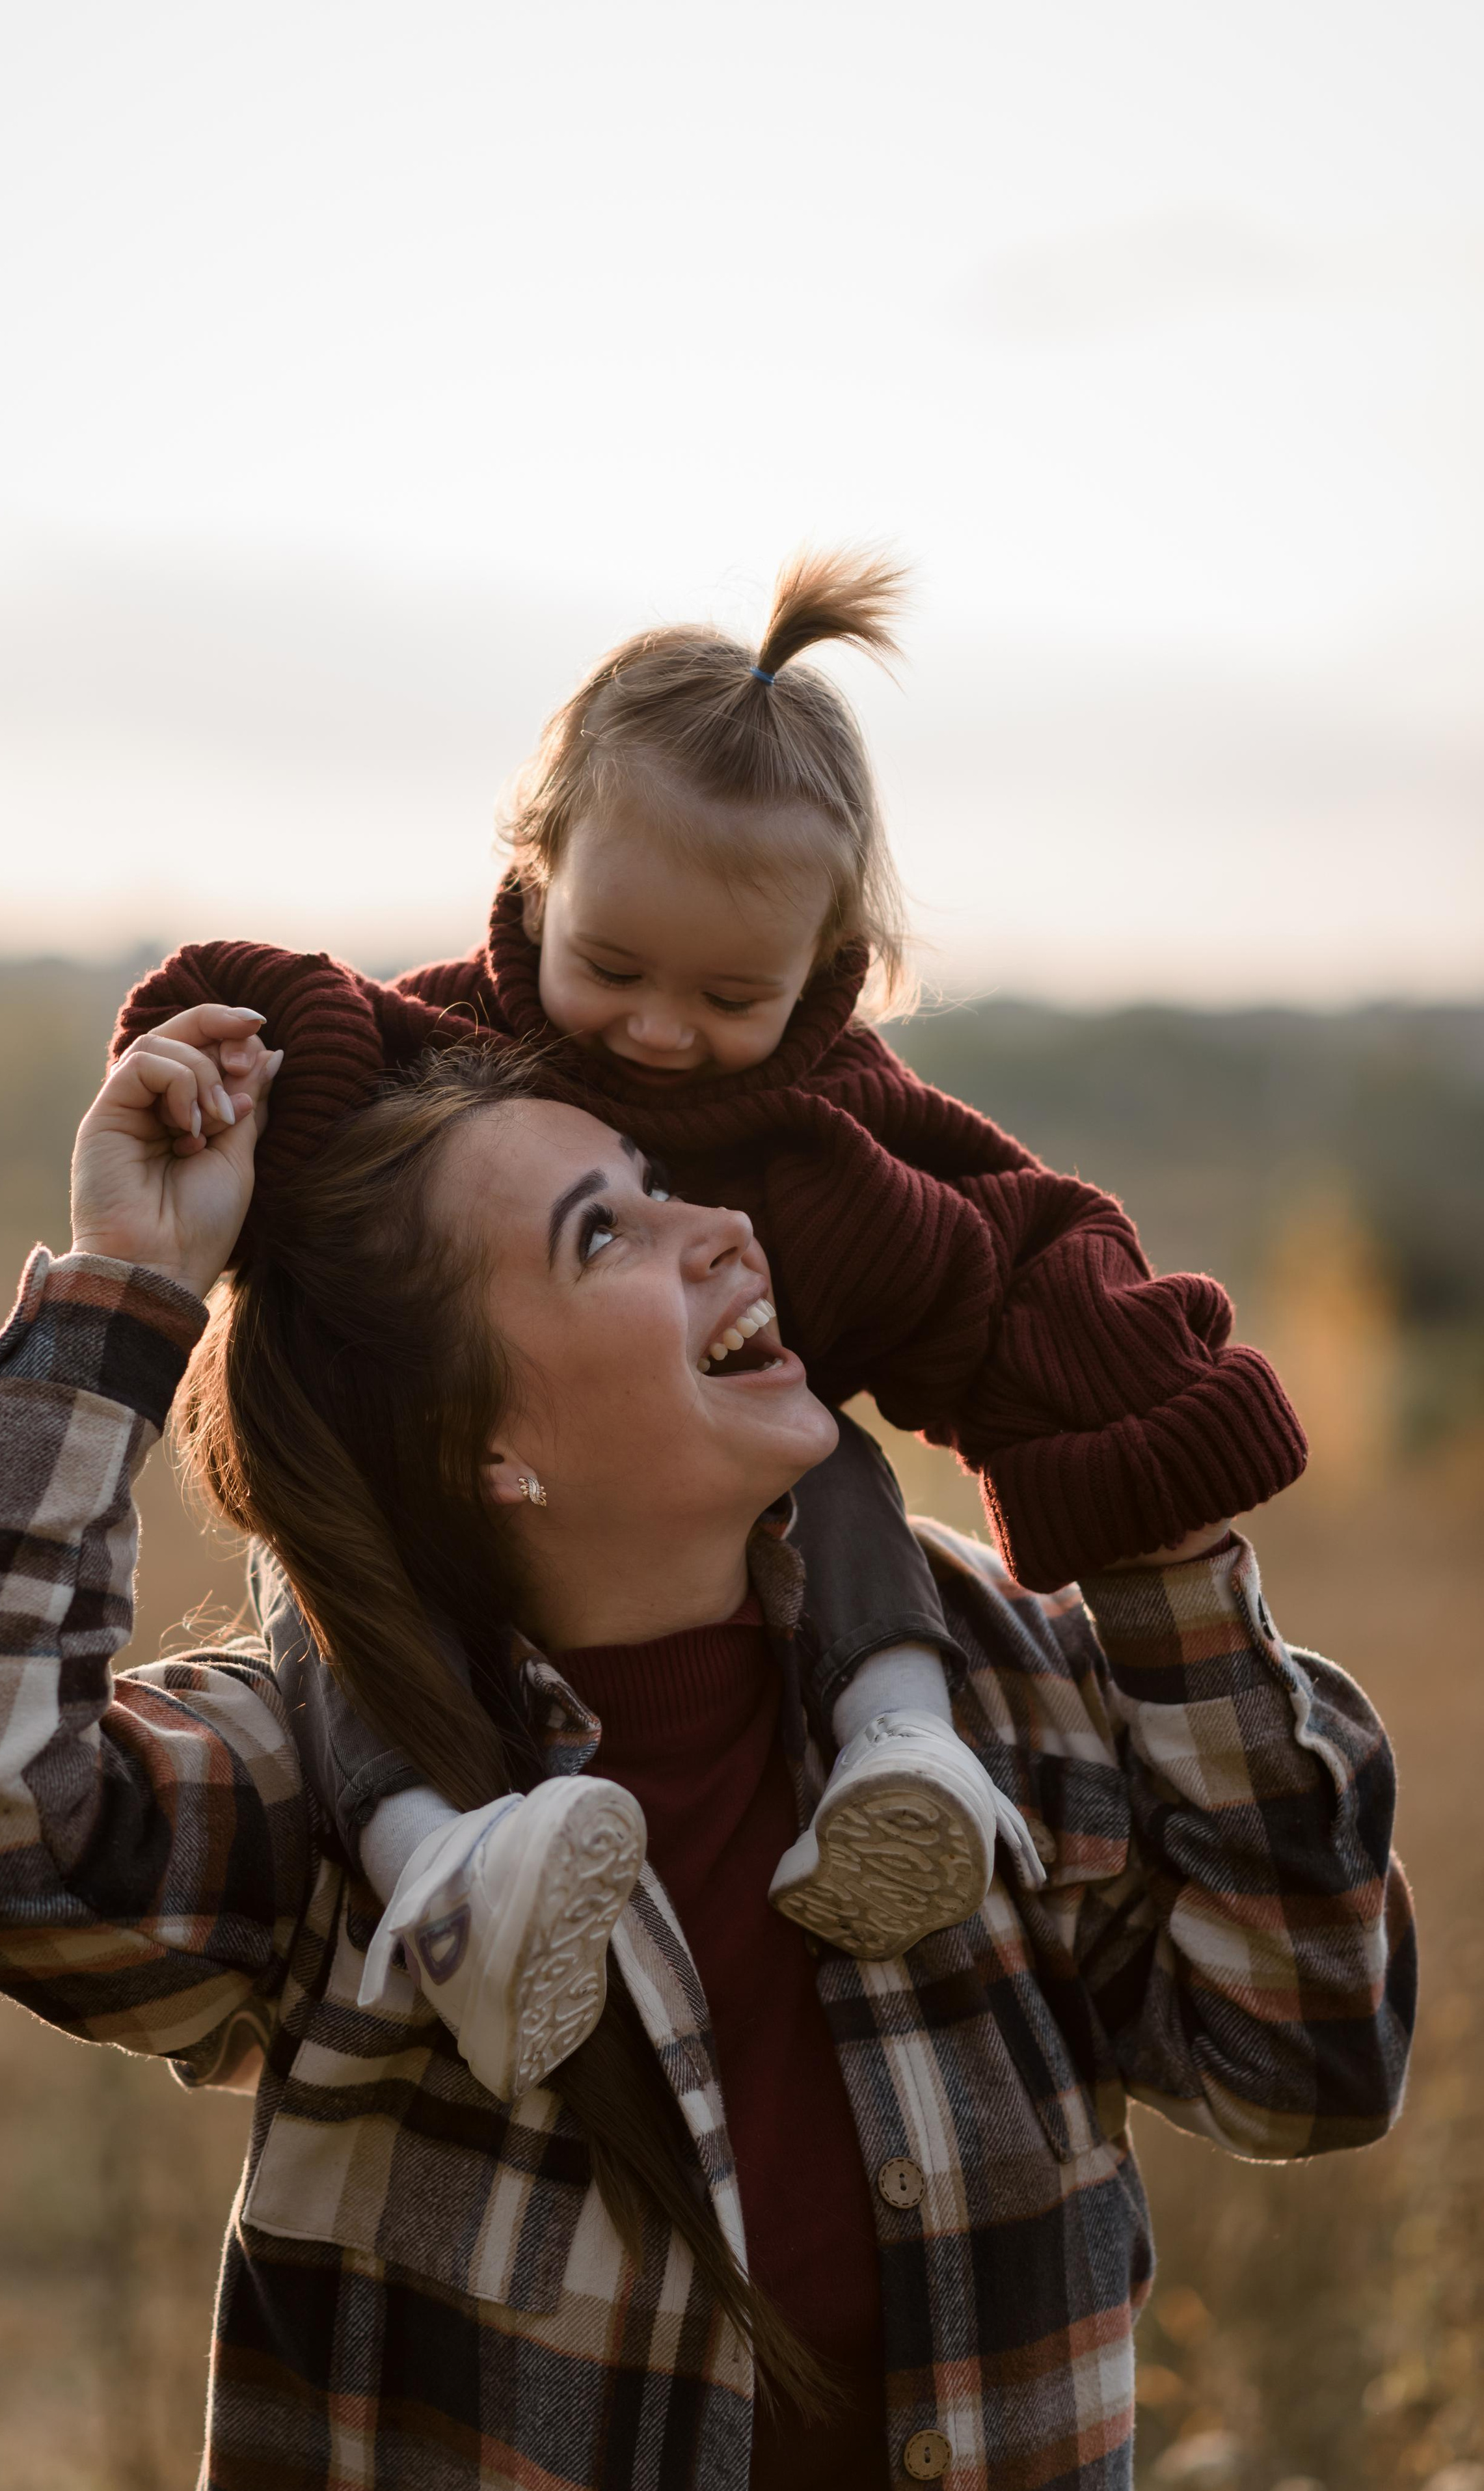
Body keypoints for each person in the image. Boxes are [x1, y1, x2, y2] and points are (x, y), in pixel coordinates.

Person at [0, 1011, 1412, 2491]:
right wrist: (126, 1291)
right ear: (483, 1448)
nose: (717, 1230)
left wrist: (1156, 1525)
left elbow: (1308, 2057)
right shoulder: (327, 1793)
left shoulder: (990, 1687)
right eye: (603, 1235)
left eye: (662, 1186)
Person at [111, 549, 1310, 2103]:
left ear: (828, 968)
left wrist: (1140, 1421)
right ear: (534, 877)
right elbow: (302, 1046)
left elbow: (1004, 1246)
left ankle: (901, 1748)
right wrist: (207, 1081)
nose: (660, 1031)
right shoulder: (446, 1051)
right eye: (610, 968)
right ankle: (434, 1865)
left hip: (752, 1505)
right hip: (435, 1481)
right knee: (334, 1569)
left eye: (730, 997)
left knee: (837, 1468)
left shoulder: (839, 1128)